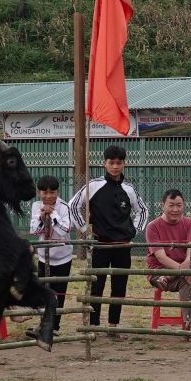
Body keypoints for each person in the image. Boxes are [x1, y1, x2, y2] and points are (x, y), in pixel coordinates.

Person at [70, 145, 148, 338]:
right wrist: (84, 230)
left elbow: (142, 210)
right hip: (99, 245)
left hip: (122, 245)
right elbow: (73, 206)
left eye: (119, 163)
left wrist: (133, 231)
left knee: (119, 286)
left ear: (124, 164)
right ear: (104, 163)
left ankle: (113, 326)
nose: (115, 166)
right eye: (111, 162)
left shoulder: (129, 188)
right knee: (97, 286)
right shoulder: (93, 185)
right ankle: (94, 326)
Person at [145, 189, 191, 331]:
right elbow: (161, 257)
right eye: (171, 205)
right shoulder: (153, 226)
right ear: (162, 205)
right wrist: (185, 271)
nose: (175, 209)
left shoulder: (189, 223)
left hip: (176, 271)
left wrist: (182, 270)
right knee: (187, 278)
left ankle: (190, 323)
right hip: (160, 271)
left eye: (179, 205)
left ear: (184, 205)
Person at [30, 175, 72, 333]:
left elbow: (63, 231)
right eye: (44, 193)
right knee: (43, 292)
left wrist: (53, 214)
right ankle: (43, 324)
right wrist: (41, 216)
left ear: (58, 191)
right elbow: (34, 231)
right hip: (43, 257)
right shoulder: (35, 206)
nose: (48, 196)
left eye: (52, 192)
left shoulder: (64, 207)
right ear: (38, 192)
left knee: (58, 293)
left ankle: (54, 327)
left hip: (62, 258)